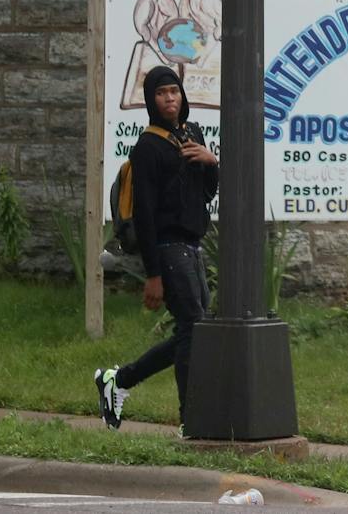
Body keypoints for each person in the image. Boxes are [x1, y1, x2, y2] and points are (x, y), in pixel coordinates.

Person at [95, 66, 218, 430]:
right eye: (162, 93)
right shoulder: (147, 148)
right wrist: (153, 274)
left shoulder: (191, 134)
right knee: (194, 327)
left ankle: (119, 380)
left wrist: (212, 163)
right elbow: (145, 216)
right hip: (168, 247)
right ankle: (190, 420)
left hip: (193, 244)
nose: (170, 98)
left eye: (175, 92)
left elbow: (205, 193)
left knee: (194, 329)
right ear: (151, 99)